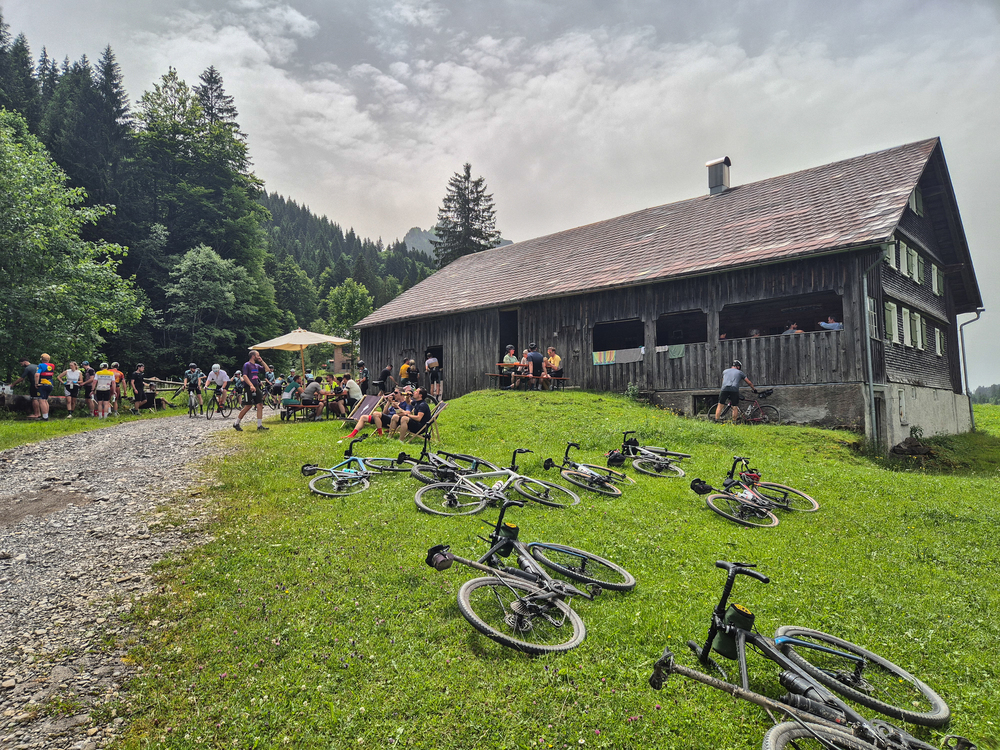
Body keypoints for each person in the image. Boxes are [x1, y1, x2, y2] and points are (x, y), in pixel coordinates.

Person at [234, 349, 271, 431]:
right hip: (248, 387)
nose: (259, 356)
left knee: (260, 404)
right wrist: (250, 385)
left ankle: (259, 425)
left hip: (256, 386)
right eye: (258, 355)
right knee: (248, 406)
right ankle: (236, 423)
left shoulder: (257, 366)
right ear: (253, 356)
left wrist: (262, 361)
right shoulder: (247, 365)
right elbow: (245, 376)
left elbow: (268, 370)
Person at [34, 354, 57, 421]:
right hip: (50, 384)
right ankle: (46, 415)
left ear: (41, 359)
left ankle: (45, 417)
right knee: (45, 400)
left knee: (41, 400)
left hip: (42, 384)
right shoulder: (52, 365)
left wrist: (36, 383)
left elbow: (37, 374)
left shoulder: (40, 365)